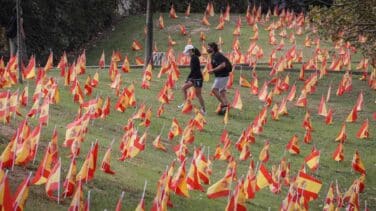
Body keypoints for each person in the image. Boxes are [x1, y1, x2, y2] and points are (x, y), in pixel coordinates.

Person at [178, 44, 206, 114]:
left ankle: (204, 110)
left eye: (187, 51)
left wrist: (188, 79)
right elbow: (193, 70)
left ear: (191, 51)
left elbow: (193, 70)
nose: (187, 53)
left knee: (198, 94)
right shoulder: (193, 57)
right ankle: (185, 104)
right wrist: (189, 78)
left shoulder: (194, 58)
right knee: (184, 88)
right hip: (194, 78)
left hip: (198, 78)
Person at [207, 42, 231, 115]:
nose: (207, 49)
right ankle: (226, 108)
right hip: (221, 75)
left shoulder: (217, 55)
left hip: (222, 75)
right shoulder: (213, 55)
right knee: (222, 92)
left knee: (214, 90)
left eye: (209, 47)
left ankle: (224, 104)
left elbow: (223, 65)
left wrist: (213, 70)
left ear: (213, 48)